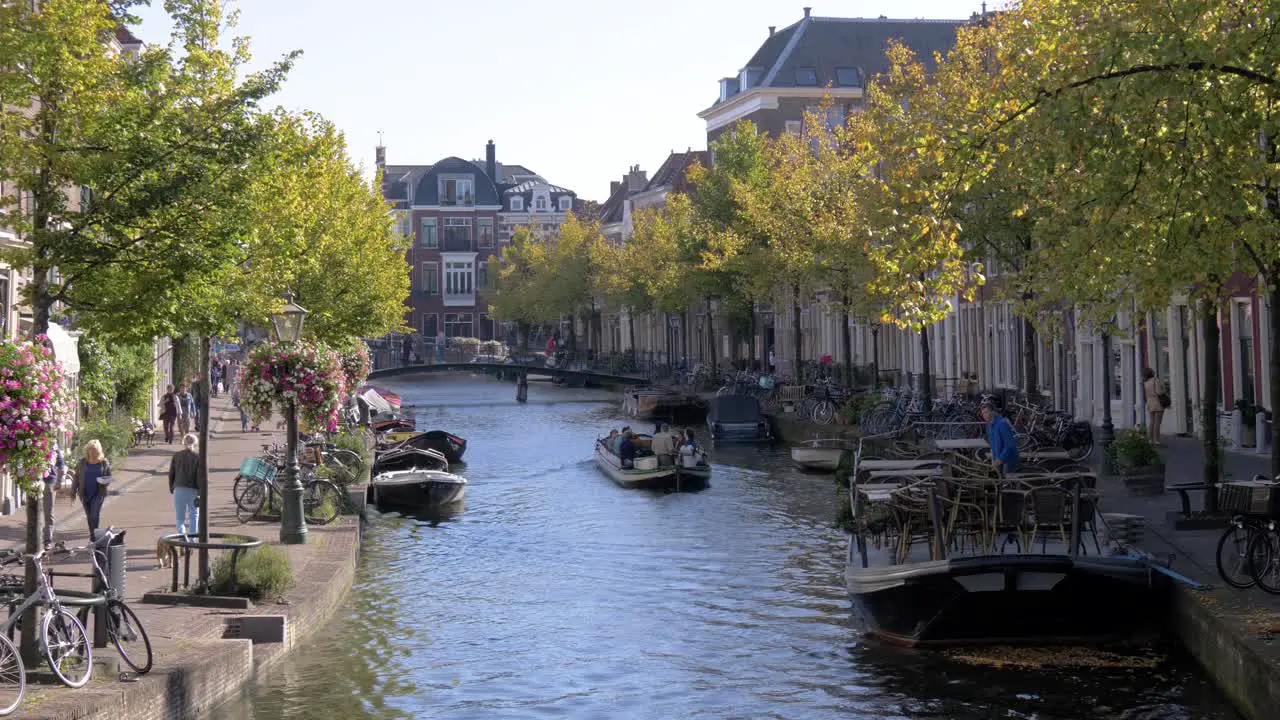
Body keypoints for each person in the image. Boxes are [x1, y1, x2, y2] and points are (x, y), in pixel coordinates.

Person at [71, 440, 111, 539]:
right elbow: (76, 477)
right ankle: (92, 534)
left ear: (99, 450)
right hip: (85, 493)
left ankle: (95, 536)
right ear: (87, 450)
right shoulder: (83, 462)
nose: (93, 452)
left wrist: (104, 481)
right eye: (91, 449)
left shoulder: (104, 462)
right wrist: (73, 491)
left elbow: (108, 476)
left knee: (94, 515)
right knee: (89, 516)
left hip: (98, 493)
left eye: (95, 450)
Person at [169, 433, 200, 538]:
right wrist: (200, 492)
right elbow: (200, 476)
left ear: (184, 442)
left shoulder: (176, 456)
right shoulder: (198, 457)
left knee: (180, 518)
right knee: (194, 515)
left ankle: (182, 537)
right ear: (195, 443)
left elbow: (171, 473)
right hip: (193, 489)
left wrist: (172, 487)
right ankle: (192, 539)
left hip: (179, 488)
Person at [981, 402, 1018, 476]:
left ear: (992, 412)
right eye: (982, 413)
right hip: (998, 456)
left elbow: (1010, 445)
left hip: (1008, 457)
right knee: (998, 477)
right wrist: (994, 456)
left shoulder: (1002, 424)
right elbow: (992, 442)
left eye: (986, 412)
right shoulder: (989, 425)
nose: (984, 415)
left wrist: (1001, 459)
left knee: (1006, 480)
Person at [41, 440, 65, 548]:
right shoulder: (33, 442)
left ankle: (47, 540)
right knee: (33, 511)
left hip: (49, 481)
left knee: (48, 511)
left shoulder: (52, 444)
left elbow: (61, 464)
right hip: (33, 479)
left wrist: (59, 481)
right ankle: (35, 537)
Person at [1143, 367, 1169, 446]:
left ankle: (1150, 439)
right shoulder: (1155, 380)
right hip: (1157, 403)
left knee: (1152, 422)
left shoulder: (1146, 382)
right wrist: (1164, 390)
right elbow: (1159, 392)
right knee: (1157, 423)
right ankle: (1156, 440)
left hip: (1150, 403)